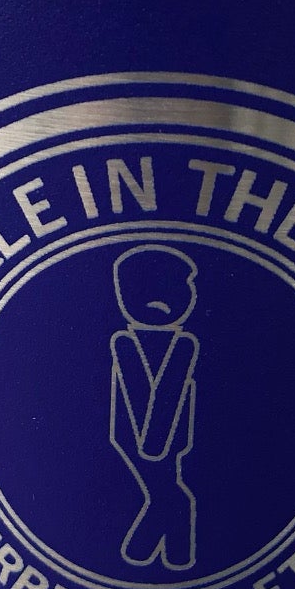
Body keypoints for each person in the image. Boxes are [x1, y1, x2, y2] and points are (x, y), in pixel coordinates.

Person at [109, 245, 198, 571]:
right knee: (174, 497)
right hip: (139, 437)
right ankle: (170, 556)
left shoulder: (180, 346)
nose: (160, 296)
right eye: (145, 286)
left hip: (167, 441)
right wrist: (152, 444)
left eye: (176, 285)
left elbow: (169, 393)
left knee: (171, 496)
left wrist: (158, 442)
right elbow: (145, 391)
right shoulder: (128, 344)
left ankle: (156, 555)